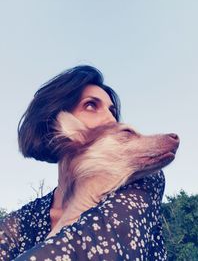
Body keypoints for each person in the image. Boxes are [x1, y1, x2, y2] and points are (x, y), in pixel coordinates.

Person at [0, 65, 167, 260]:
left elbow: (100, 246)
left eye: (112, 110)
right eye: (91, 105)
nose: (111, 118)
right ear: (59, 122)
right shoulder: (26, 219)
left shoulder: (141, 179)